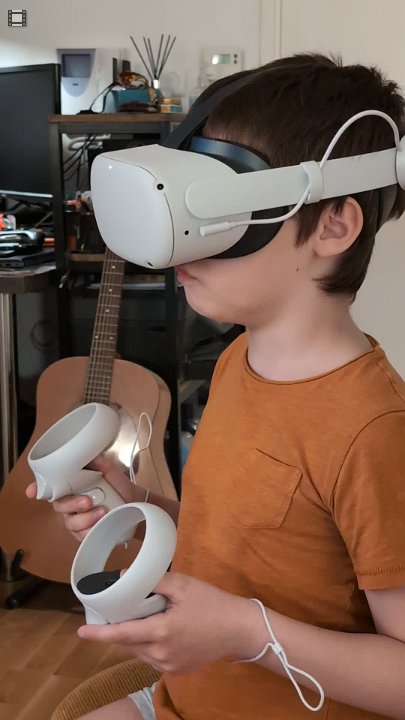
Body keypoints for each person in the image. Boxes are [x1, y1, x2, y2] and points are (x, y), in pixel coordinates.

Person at [27, 53, 405, 719]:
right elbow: (244, 549)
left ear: (333, 226)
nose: (179, 247)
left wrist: (245, 634)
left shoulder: (374, 432)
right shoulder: (236, 362)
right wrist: (137, 508)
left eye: (214, 214)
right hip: (184, 696)